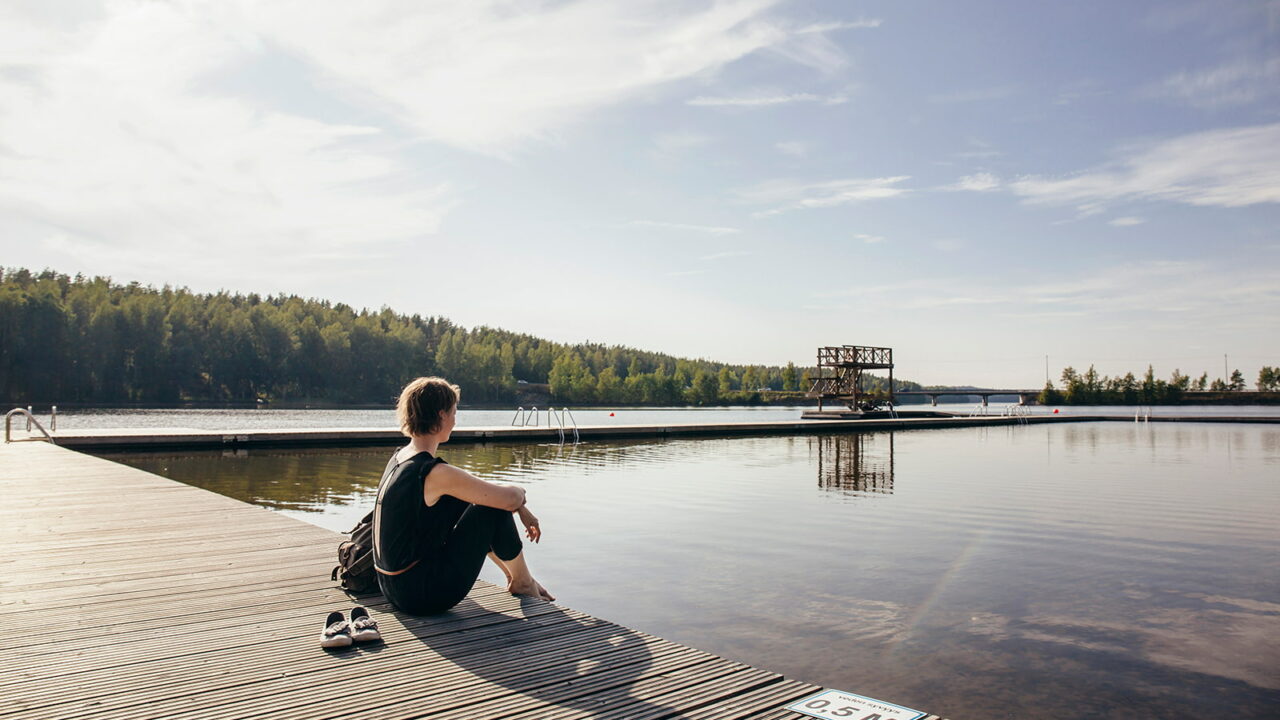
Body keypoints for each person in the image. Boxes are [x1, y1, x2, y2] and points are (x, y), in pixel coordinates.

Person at [373, 377, 553, 614]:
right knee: (491, 509)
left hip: (394, 587)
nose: (455, 421)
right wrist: (520, 498)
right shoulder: (434, 473)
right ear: (440, 416)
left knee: (478, 504)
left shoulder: (401, 458)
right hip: (422, 595)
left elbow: (482, 497)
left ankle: (519, 579)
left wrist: (519, 508)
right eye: (453, 413)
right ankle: (524, 582)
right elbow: (508, 498)